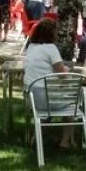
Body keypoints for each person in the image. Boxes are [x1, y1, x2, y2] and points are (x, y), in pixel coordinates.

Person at [23, 19, 75, 148]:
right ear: (52, 34)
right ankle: (65, 141)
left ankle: (38, 135)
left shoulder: (31, 47)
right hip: (49, 99)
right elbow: (62, 76)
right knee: (73, 101)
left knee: (50, 93)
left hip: (33, 99)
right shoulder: (51, 48)